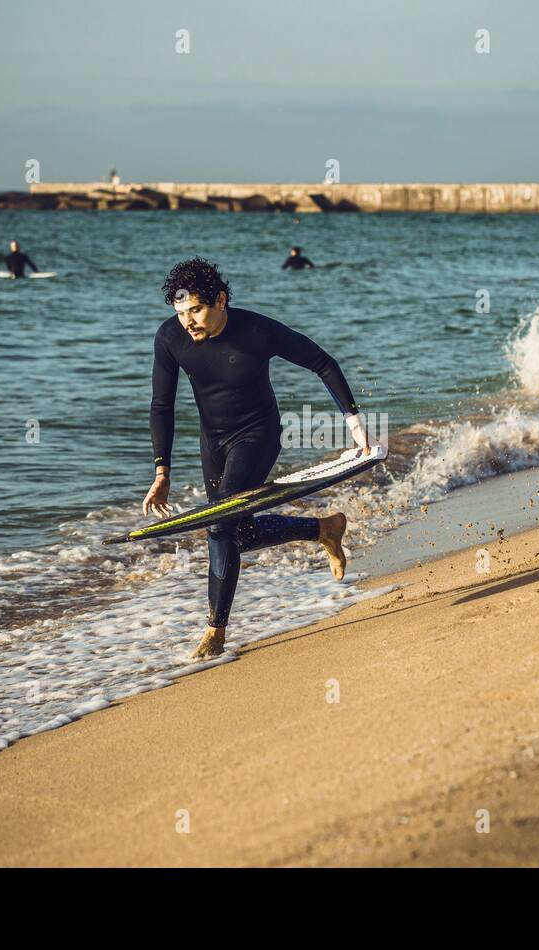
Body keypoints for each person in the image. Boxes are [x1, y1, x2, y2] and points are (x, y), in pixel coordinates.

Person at [145, 257, 371, 659]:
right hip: (212, 442)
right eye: (180, 313)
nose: (188, 322)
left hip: (258, 435)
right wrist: (162, 470)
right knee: (239, 533)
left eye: (195, 310)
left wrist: (354, 424)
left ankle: (215, 631)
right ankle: (324, 528)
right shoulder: (169, 338)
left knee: (218, 525)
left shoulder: (256, 330)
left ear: (220, 300)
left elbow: (322, 362)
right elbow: (161, 405)